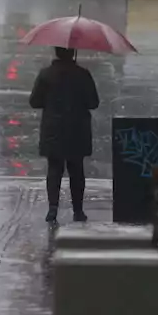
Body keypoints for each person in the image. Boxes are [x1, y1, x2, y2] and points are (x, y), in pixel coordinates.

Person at [29, 47, 100, 224]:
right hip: (77, 129)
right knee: (76, 169)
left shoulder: (46, 75)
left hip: (53, 129)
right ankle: (78, 210)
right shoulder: (83, 75)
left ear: (56, 52)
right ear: (73, 53)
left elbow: (34, 101)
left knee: (54, 169)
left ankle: (53, 209)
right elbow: (93, 102)